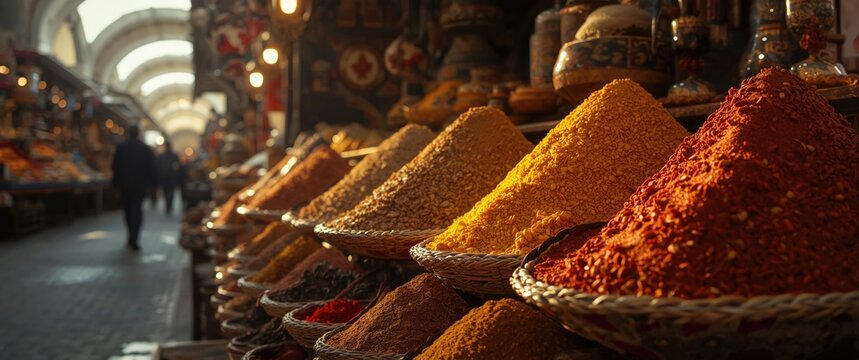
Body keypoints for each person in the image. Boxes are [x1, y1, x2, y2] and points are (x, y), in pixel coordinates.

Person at [111, 124, 156, 251]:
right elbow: (152, 168)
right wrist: (153, 186)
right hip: (140, 185)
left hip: (125, 185)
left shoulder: (121, 148)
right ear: (138, 133)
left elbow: (115, 167)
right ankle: (134, 236)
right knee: (137, 211)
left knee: (127, 211)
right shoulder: (145, 148)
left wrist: (115, 186)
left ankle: (131, 234)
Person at [156, 141, 181, 214]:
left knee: (171, 192)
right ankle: (167, 204)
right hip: (164, 177)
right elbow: (158, 166)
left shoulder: (174, 156)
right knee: (165, 192)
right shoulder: (161, 156)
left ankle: (169, 205)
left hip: (171, 177)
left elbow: (177, 166)